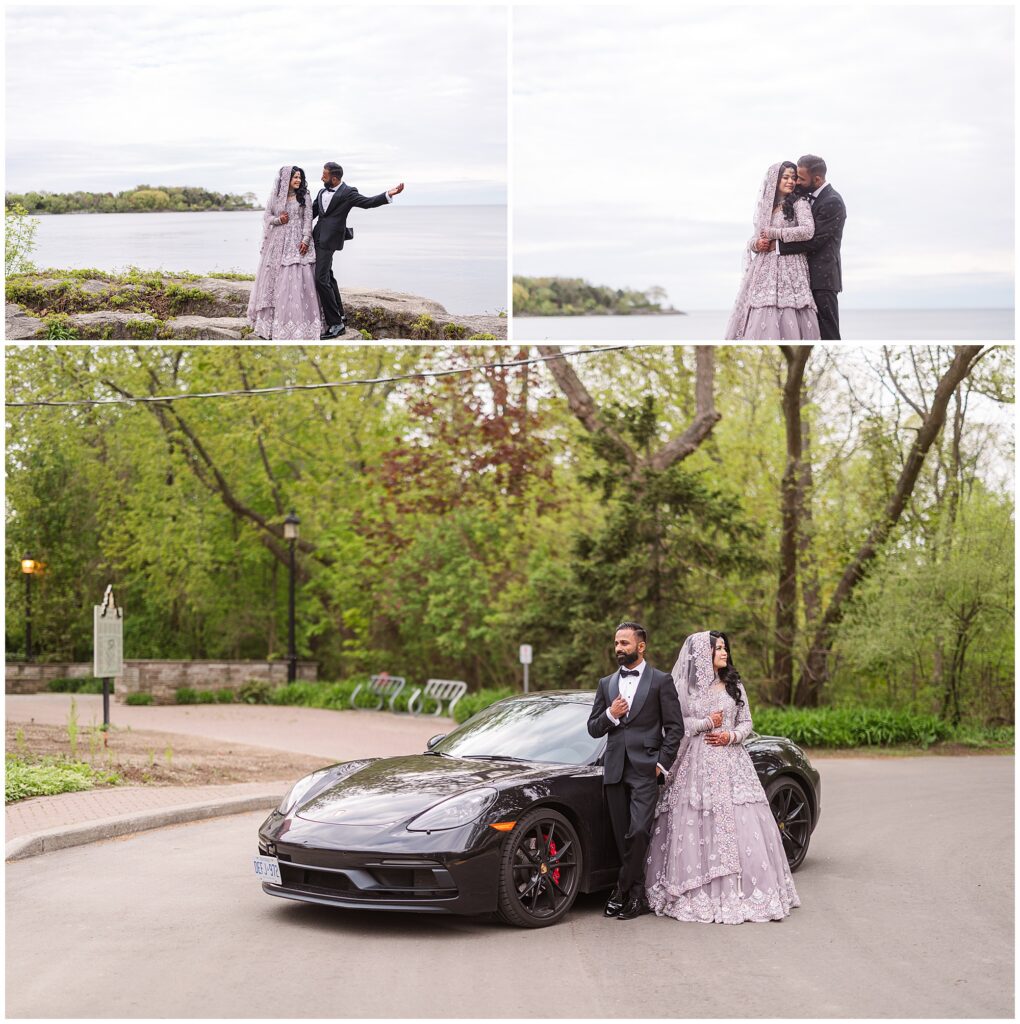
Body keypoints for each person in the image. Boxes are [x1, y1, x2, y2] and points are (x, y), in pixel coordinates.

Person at [645, 630, 800, 923]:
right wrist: (706, 723)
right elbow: (676, 725)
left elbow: (747, 721)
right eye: (717, 649)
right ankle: (697, 892)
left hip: (732, 762)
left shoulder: (733, 684)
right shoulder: (685, 689)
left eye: (724, 648)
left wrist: (731, 734)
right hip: (696, 763)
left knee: (742, 820)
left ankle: (742, 894)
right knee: (696, 820)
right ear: (704, 656)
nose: (724, 652)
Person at [587, 621, 685, 920]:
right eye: (616, 643)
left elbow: (675, 728)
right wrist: (610, 714)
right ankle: (636, 896)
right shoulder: (606, 684)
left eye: (625, 643)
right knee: (622, 837)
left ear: (640, 647)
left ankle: (620, 889)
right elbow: (593, 728)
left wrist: (660, 764)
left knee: (638, 831)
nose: (619, 648)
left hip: (645, 771)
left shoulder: (660, 681)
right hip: (614, 769)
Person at [723, 161, 820, 340]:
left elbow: (808, 231)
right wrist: (756, 244)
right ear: (775, 180)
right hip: (764, 270)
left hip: (790, 266)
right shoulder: (766, 209)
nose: (790, 181)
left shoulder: (799, 203)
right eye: (785, 177)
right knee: (761, 309)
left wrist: (775, 233)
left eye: (793, 177)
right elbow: (756, 236)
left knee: (789, 308)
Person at [312, 161, 405, 339]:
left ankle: (336, 324)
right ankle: (340, 316)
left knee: (320, 280)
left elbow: (368, 202)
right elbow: (312, 212)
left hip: (330, 240)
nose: (321, 177)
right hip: (317, 237)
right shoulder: (322, 192)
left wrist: (387, 195)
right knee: (328, 277)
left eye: (324, 175)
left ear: (334, 178)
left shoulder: (348, 192)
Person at [775, 154, 847, 339]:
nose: (796, 181)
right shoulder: (802, 197)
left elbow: (815, 240)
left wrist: (777, 247)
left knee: (828, 333)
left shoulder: (833, 201)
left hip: (823, 279)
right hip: (802, 278)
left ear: (817, 179)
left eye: (800, 178)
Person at [247, 166, 321, 340]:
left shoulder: (305, 196)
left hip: (298, 243)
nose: (298, 181)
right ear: (286, 179)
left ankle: (300, 326)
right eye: (295, 177)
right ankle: (273, 327)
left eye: (299, 178)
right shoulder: (276, 198)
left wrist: (305, 239)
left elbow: (308, 219)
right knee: (276, 283)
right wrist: (279, 219)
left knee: (298, 280)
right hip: (278, 243)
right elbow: (267, 217)